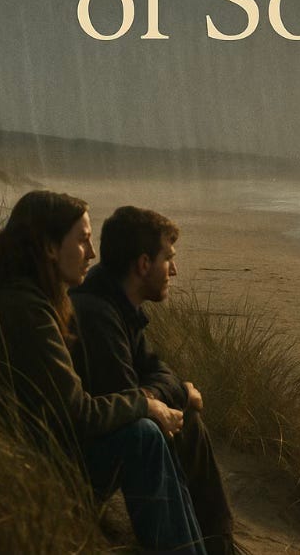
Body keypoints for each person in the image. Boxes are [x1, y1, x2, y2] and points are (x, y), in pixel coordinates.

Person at [0, 190, 207, 554]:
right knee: (143, 437)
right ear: (51, 247)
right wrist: (146, 405)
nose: (91, 253)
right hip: (32, 465)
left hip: (23, 448)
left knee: (153, 430)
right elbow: (76, 414)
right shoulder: (25, 310)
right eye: (83, 241)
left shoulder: (19, 295)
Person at [70, 206, 240, 555]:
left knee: (185, 422)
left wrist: (174, 394)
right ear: (143, 264)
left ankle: (219, 548)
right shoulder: (97, 313)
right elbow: (126, 406)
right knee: (150, 432)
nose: (173, 271)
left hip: (104, 436)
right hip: (71, 460)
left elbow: (159, 370)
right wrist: (173, 396)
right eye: (168, 260)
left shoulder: (119, 305)